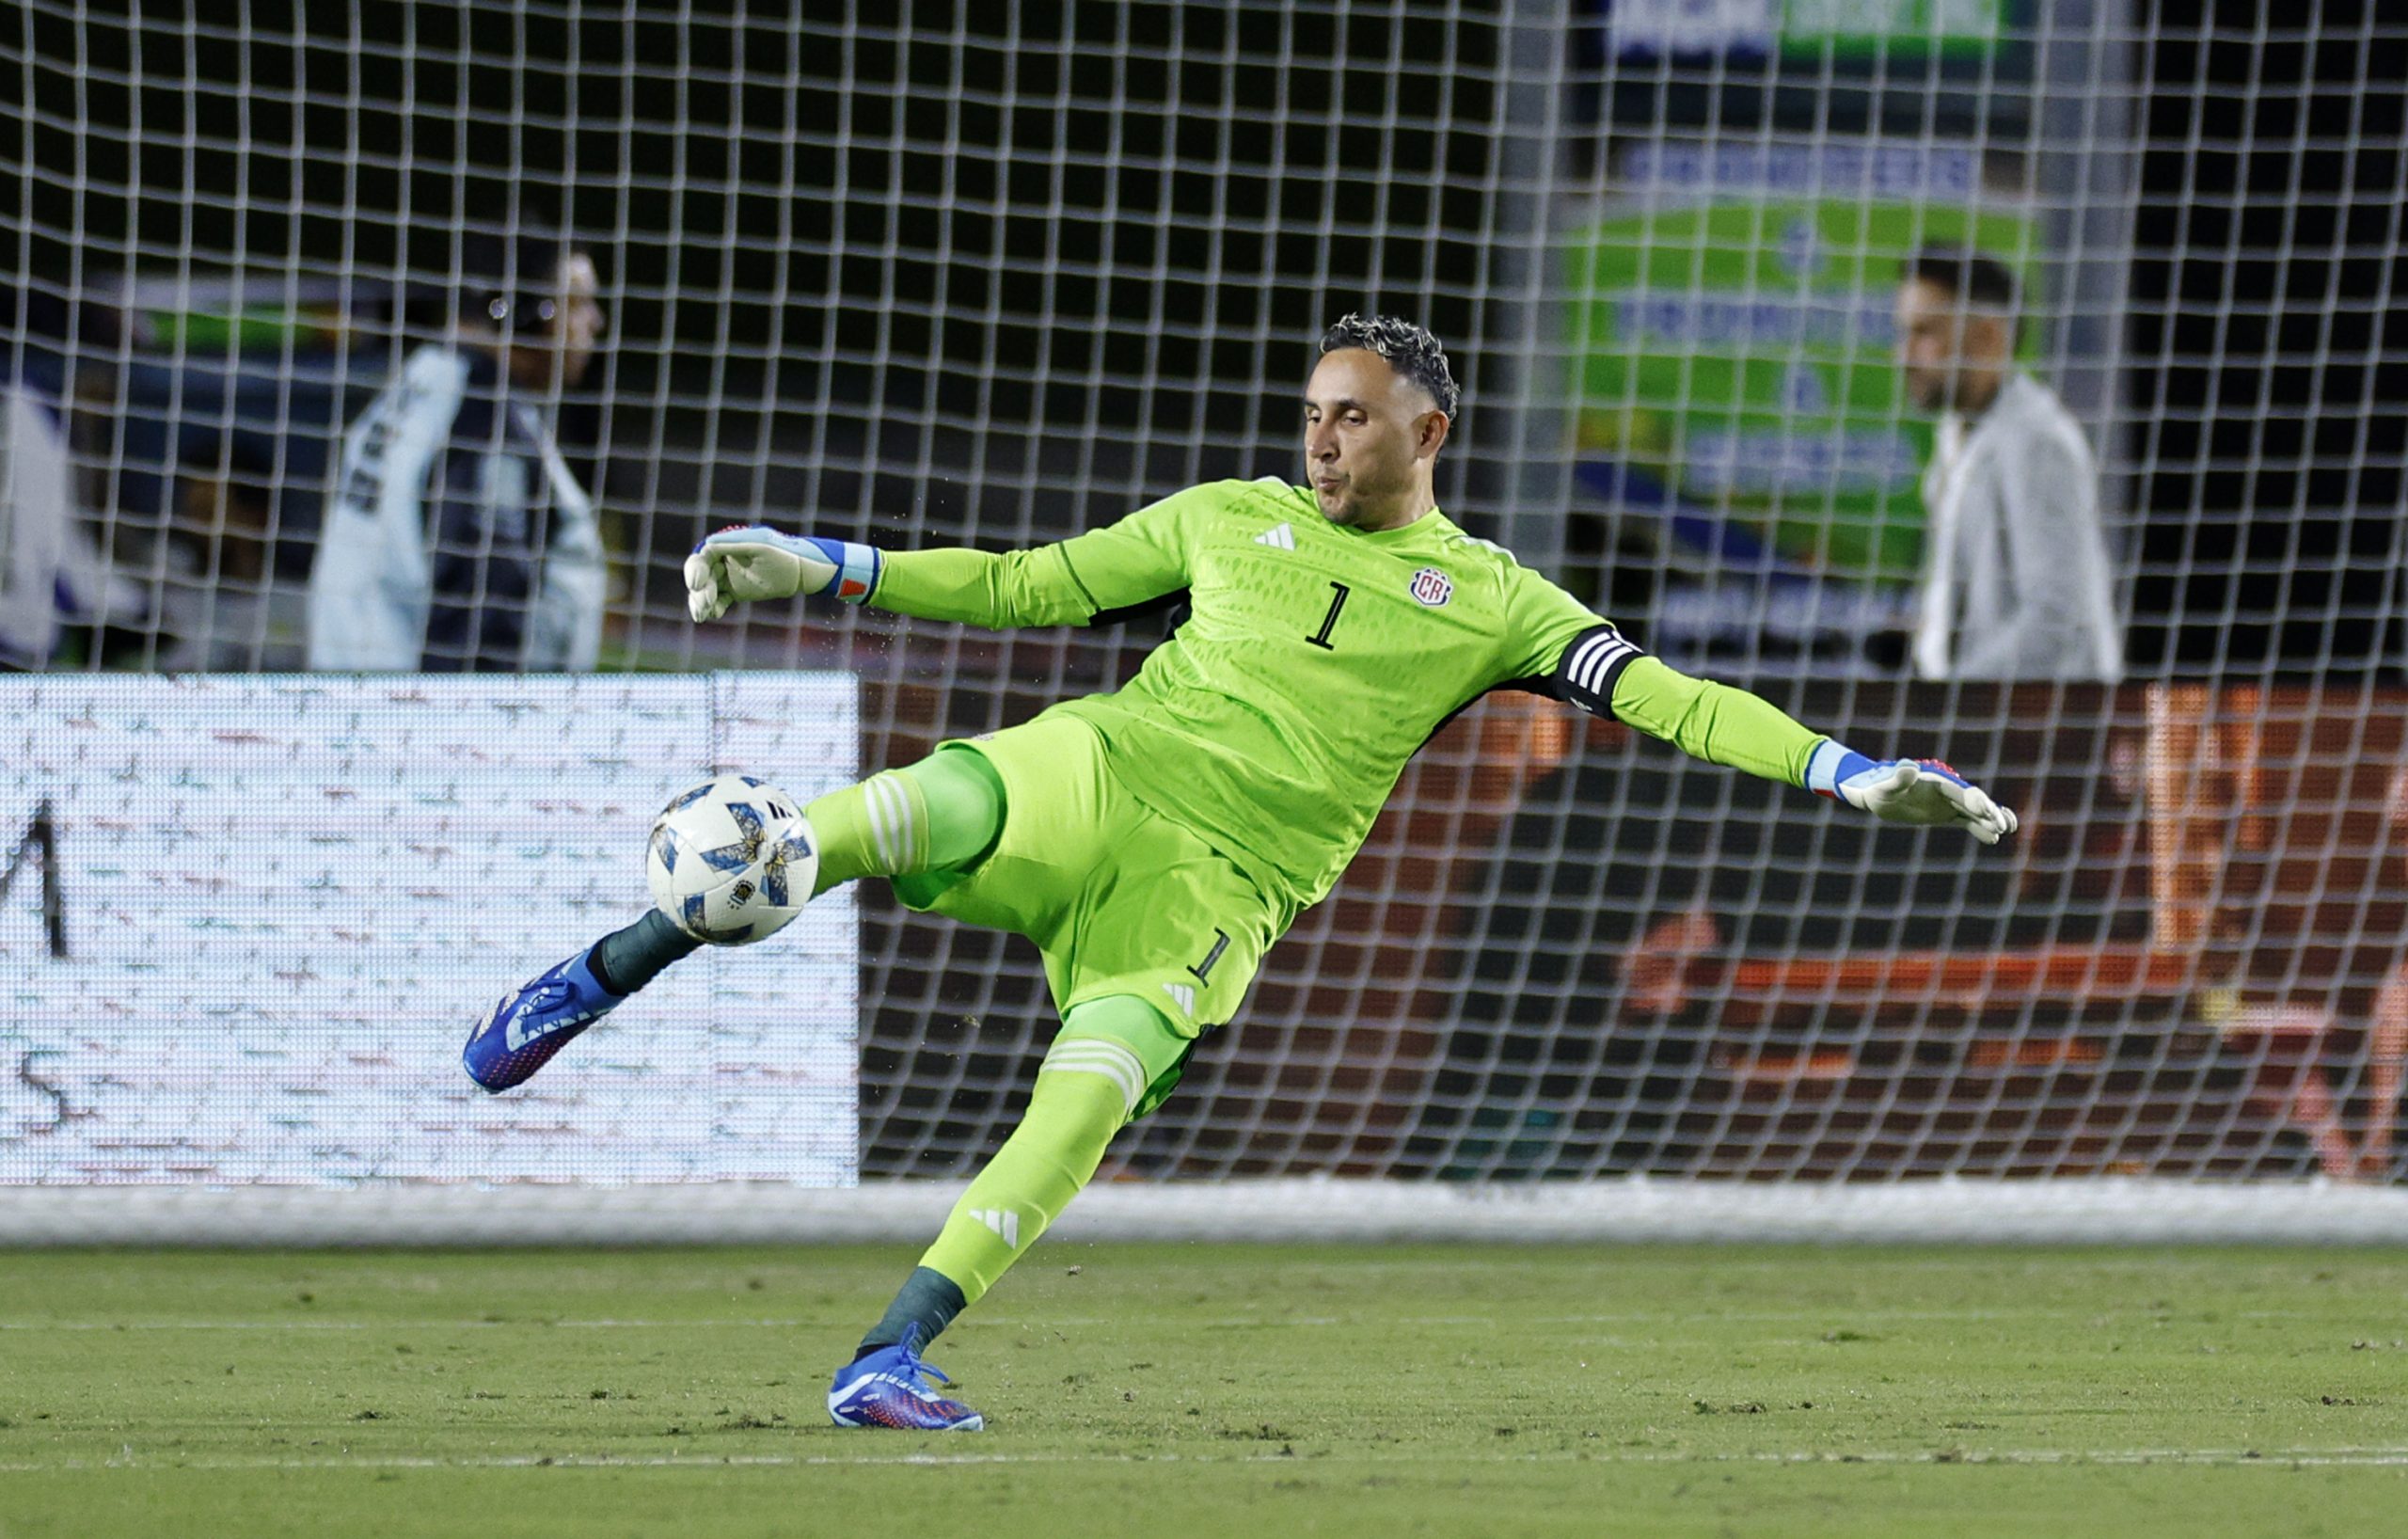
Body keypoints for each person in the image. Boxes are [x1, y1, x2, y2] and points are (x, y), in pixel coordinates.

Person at [460, 314, 2020, 1431]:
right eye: (1312, 413)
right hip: (1097, 774)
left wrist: (1847, 767)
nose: (1320, 437)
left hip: (1217, 895)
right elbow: (1028, 584)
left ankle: (890, 1349)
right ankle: (598, 971)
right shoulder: (1229, 521)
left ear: (1429, 432)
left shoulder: (1496, 601)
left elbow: (1675, 699)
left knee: (1075, 1110)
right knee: (831, 831)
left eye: (1351, 414)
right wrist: (828, 564)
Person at [306, 230, 608, 671]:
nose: (595, 322)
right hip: (424, 723)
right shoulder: (482, 427)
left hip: (366, 702)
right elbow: (480, 614)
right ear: (525, 313)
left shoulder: (421, 384)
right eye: (577, 303)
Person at [1895, 247, 2123, 682]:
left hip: (2045, 726)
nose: (1903, 355)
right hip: (1994, 716)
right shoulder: (1960, 436)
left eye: (1924, 333)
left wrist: (1953, 701)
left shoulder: (2035, 442)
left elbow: (2055, 615)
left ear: (1987, 337)